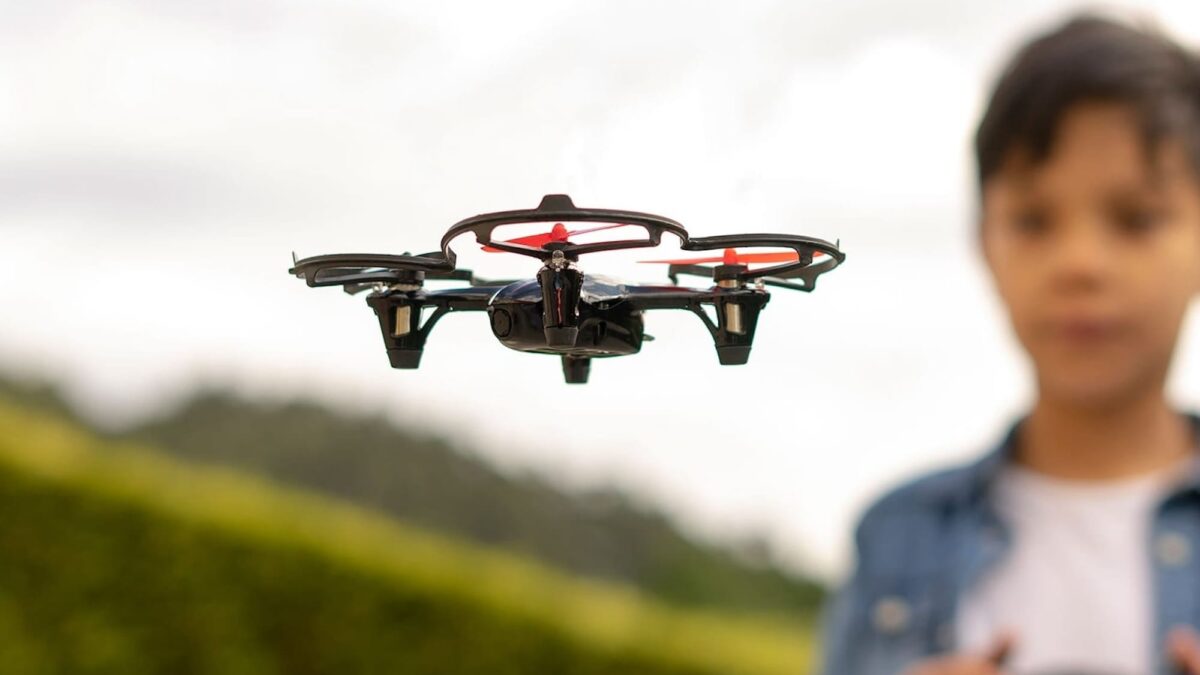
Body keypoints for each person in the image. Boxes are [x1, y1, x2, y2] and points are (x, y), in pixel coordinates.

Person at [819, 12, 1200, 675]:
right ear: (984, 245)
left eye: (1136, 218)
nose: (1080, 263)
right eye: (1033, 220)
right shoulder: (897, 533)